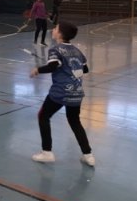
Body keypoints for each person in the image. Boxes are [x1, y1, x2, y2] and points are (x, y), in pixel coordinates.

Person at [29, 21, 95, 167]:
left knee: (43, 116)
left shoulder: (56, 50)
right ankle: (88, 155)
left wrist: (37, 70)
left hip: (60, 92)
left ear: (60, 34)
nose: (53, 29)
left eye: (56, 28)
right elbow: (85, 70)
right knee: (75, 122)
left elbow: (53, 66)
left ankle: (47, 153)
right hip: (76, 93)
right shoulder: (77, 51)